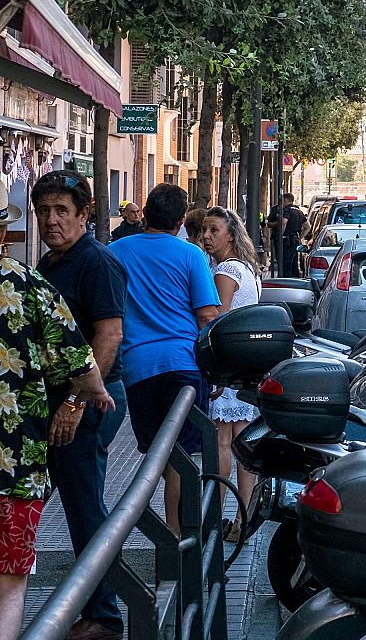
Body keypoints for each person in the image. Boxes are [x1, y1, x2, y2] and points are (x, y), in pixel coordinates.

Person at [0, 202, 113, 640]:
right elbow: (74, 352)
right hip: (15, 462)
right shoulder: (24, 282)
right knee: (8, 580)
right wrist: (96, 390)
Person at [33, 172, 128, 640]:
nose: (51, 220)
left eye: (61, 211)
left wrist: (75, 400)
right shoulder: (51, 263)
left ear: (84, 215)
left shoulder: (97, 263)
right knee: (60, 503)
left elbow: (108, 335)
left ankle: (105, 616)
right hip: (54, 405)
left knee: (85, 507)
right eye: (44, 211)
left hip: (91, 402)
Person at [109, 184, 220, 533]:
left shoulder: (115, 252)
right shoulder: (190, 255)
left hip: (137, 369)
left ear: (144, 212)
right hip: (184, 365)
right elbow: (207, 315)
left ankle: (153, 533)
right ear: (182, 220)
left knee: (154, 455)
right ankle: (177, 539)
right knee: (181, 458)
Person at [198, 207, 260, 543]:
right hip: (247, 368)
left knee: (223, 442)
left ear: (231, 235)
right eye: (205, 230)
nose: (206, 236)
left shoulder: (226, 270)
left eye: (214, 230)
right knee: (243, 447)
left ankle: (215, 515)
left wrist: (216, 373)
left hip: (229, 371)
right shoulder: (248, 268)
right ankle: (243, 518)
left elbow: (218, 322)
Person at [274, 193, 307, 278]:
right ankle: (294, 280)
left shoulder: (287, 210)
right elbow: (308, 226)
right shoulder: (298, 211)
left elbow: (284, 222)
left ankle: (285, 281)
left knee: (285, 263)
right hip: (295, 240)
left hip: (286, 241)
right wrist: (300, 237)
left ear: (285, 200)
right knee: (294, 263)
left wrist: (281, 235)